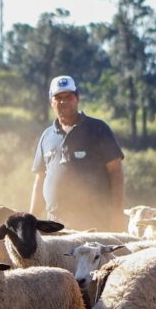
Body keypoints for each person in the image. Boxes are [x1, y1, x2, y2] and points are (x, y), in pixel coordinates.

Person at [30, 75, 125, 231]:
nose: (63, 101)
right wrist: (32, 219)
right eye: (58, 97)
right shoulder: (47, 136)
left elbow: (116, 173)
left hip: (94, 222)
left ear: (77, 98)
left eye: (68, 96)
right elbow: (40, 180)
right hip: (55, 223)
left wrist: (117, 214)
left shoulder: (98, 129)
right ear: (51, 102)